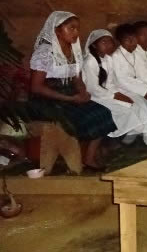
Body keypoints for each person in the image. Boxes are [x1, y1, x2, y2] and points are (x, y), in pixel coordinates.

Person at [28, 11, 116, 170]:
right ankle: (71, 156)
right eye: (71, 28)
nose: (76, 32)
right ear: (57, 31)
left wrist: (83, 92)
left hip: (69, 94)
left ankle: (89, 158)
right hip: (46, 100)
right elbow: (36, 87)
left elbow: (77, 78)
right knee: (85, 117)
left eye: (77, 29)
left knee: (104, 112)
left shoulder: (74, 49)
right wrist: (70, 99)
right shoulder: (45, 53)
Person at [82, 30, 147, 145]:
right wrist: (115, 96)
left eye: (110, 42)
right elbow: (92, 88)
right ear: (94, 45)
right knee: (125, 110)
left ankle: (128, 136)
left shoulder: (108, 59)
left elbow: (110, 83)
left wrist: (118, 94)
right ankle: (115, 139)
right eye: (104, 42)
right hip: (93, 96)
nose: (108, 45)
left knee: (134, 104)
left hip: (106, 93)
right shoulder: (90, 61)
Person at [109, 24, 147, 145]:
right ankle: (134, 135)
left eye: (134, 39)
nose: (133, 43)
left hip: (138, 87)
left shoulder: (134, 52)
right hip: (123, 89)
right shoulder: (116, 56)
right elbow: (122, 80)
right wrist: (144, 91)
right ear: (120, 41)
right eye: (128, 40)